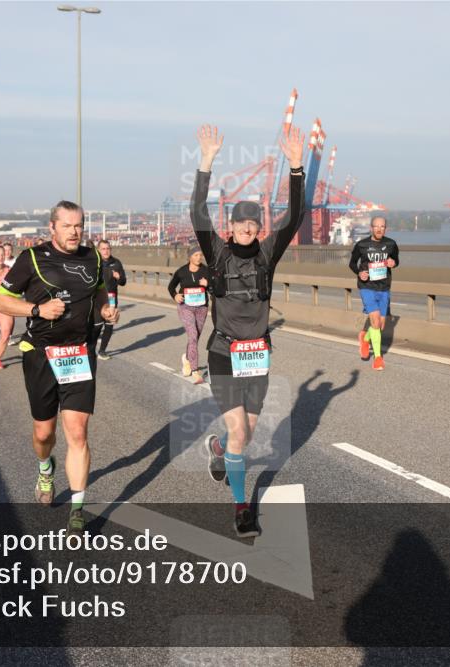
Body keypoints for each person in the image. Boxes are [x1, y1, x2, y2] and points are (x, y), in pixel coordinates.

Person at [191, 123, 304, 537]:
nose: (247, 232)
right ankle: (242, 507)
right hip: (223, 352)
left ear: (258, 229)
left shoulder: (267, 255)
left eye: (253, 227)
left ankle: (219, 451)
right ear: (230, 229)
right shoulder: (217, 252)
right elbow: (197, 212)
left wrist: (296, 167)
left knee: (246, 434)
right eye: (240, 227)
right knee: (241, 431)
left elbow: (295, 217)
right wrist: (206, 161)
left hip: (257, 354)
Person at [0, 201, 120, 535]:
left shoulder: (92, 257)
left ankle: (77, 511)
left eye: (79, 225)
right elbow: (0, 300)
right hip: (40, 355)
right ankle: (45, 467)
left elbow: (100, 290)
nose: (75, 232)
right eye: (67, 226)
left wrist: (105, 310)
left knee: (77, 432)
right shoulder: (31, 259)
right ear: (52, 227)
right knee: (44, 433)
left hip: (79, 353)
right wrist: (37, 310)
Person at [348, 216, 399, 371]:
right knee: (375, 322)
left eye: (382, 227)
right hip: (367, 287)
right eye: (376, 226)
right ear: (371, 228)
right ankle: (378, 358)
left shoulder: (391, 244)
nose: (379, 229)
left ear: (385, 228)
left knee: (380, 325)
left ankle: (365, 337)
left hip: (384, 288)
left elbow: (396, 260)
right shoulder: (362, 245)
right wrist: (359, 273)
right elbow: (352, 263)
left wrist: (393, 263)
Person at [167, 247, 211, 383]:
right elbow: (171, 286)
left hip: (201, 308)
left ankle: (187, 358)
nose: (199, 257)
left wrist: (207, 284)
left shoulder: (206, 271)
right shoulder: (182, 271)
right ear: (190, 257)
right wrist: (175, 296)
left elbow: (215, 288)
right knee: (192, 335)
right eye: (196, 255)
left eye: (200, 255)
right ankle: (195, 370)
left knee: (195, 337)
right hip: (185, 307)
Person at [96, 240, 127, 360]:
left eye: (108, 248)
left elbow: (123, 282)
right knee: (96, 326)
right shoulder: (95, 263)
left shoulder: (116, 263)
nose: (106, 251)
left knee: (109, 325)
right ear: (98, 250)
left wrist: (119, 278)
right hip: (98, 300)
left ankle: (102, 351)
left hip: (111, 299)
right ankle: (89, 347)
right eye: (103, 249)